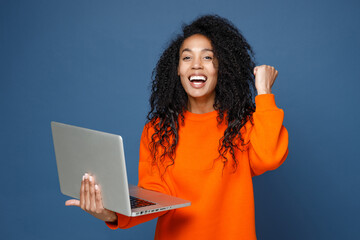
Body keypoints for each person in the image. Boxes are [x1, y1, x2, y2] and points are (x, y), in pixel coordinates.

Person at [65, 15, 289, 239]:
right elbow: (155, 197)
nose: (196, 65)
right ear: (178, 70)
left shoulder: (243, 124)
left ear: (222, 68)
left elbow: (268, 158)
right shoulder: (158, 130)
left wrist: (264, 92)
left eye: (208, 57)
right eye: (187, 57)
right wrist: (110, 213)